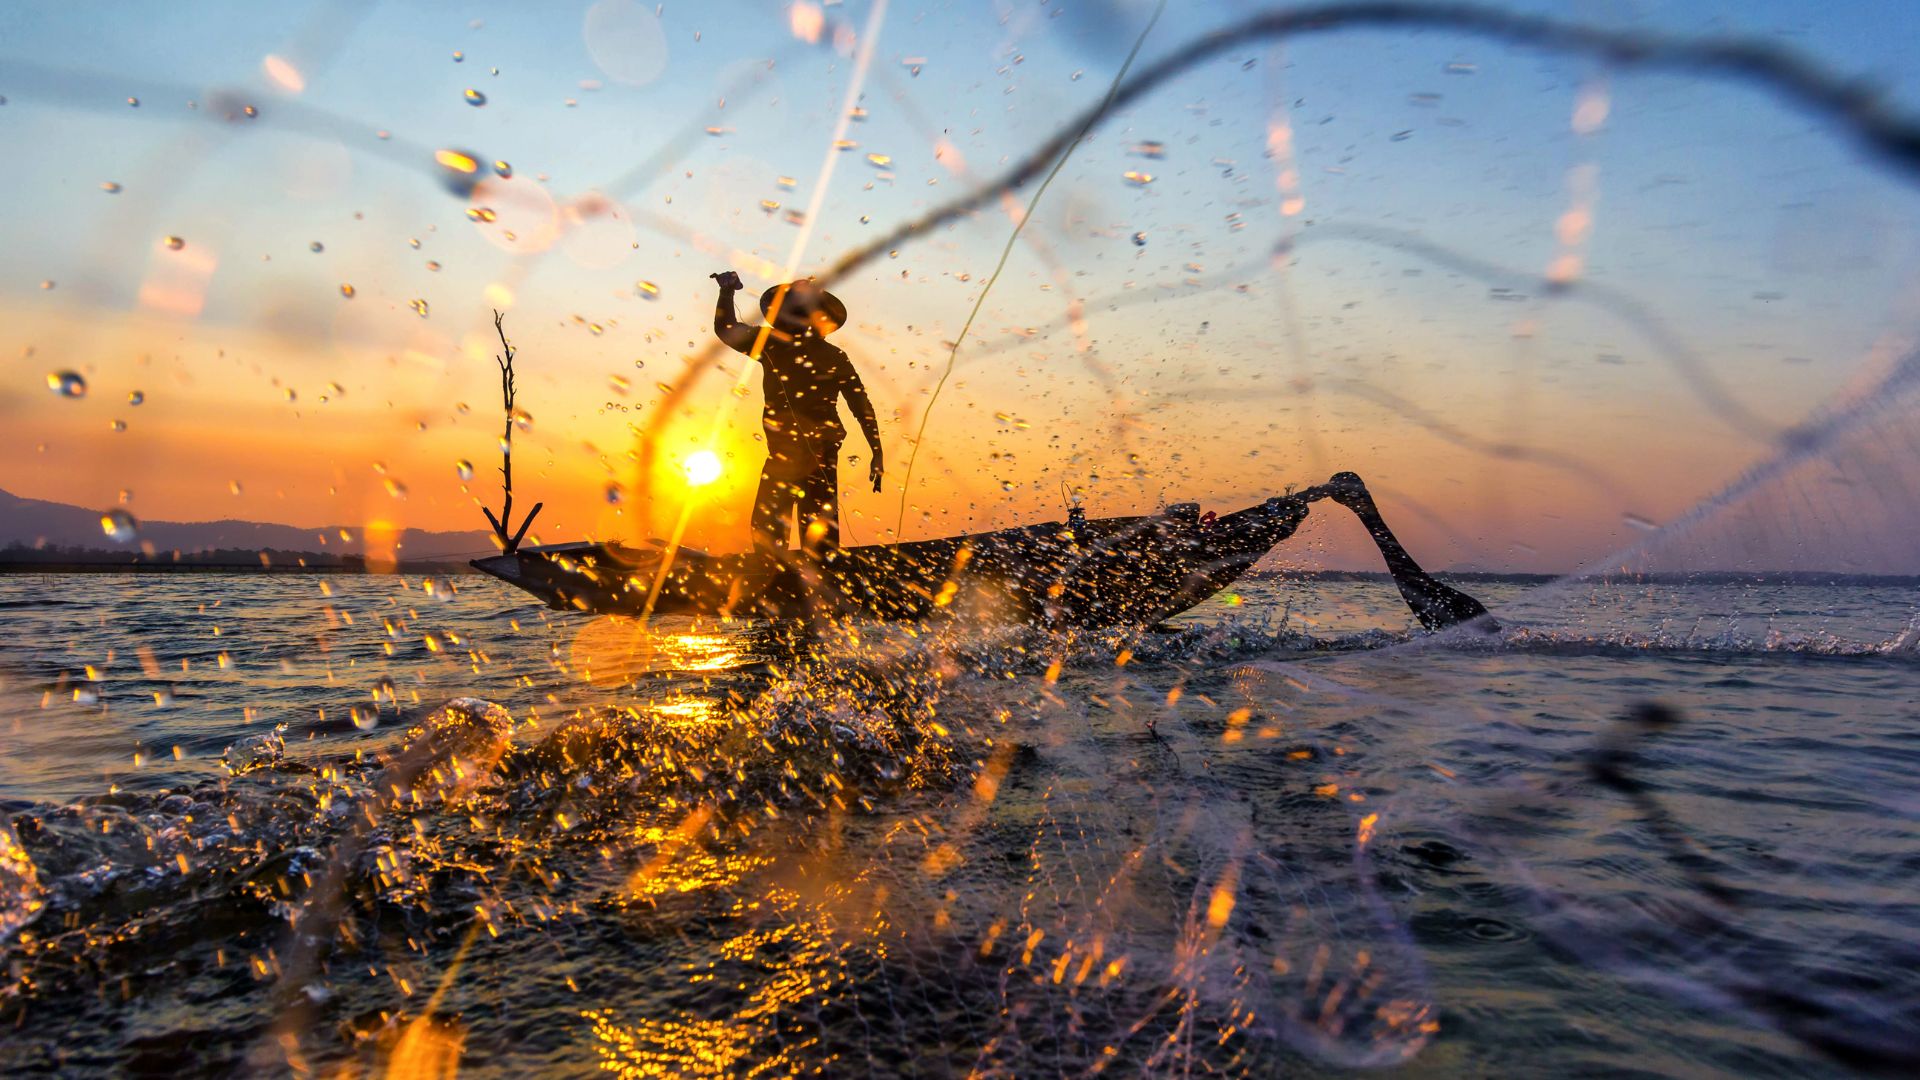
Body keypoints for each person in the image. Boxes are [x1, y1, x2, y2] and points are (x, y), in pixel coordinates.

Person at [711, 271, 882, 555]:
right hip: (788, 455)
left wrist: (877, 451)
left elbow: (860, 405)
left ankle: (801, 581)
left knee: (802, 532)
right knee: (779, 530)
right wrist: (726, 292)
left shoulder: (801, 350)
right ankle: (792, 579)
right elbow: (727, 329)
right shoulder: (774, 345)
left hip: (817, 456)